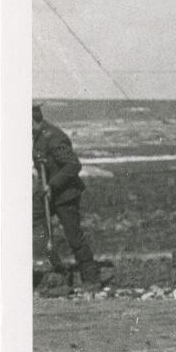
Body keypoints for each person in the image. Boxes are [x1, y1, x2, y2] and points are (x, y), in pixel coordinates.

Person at [32, 103, 101, 288]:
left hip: (65, 194)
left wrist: (52, 185)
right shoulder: (36, 137)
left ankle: (92, 279)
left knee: (73, 236)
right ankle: (57, 269)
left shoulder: (53, 137)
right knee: (33, 221)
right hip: (48, 193)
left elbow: (73, 165)